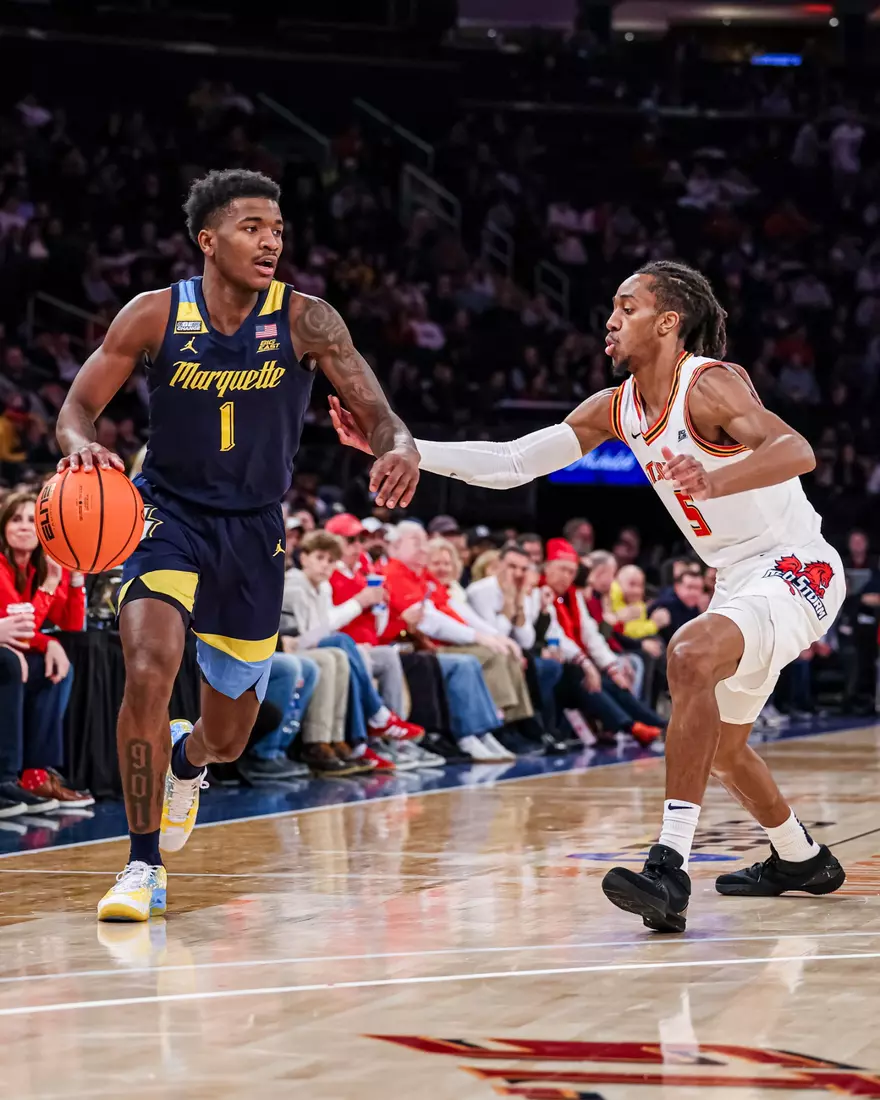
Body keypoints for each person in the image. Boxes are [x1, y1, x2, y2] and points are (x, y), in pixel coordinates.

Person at [331, 258, 847, 933]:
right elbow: (516, 462)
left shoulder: (709, 386)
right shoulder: (617, 407)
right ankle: (799, 857)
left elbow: (796, 448)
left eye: (626, 307)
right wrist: (408, 447)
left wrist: (718, 481)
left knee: (689, 653)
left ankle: (667, 867)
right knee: (719, 747)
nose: (609, 321)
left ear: (668, 322)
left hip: (796, 567)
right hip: (741, 579)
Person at [56, 169, 420, 922]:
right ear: (209, 240)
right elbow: (77, 410)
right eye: (254, 227)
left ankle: (188, 762)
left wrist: (401, 444)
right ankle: (142, 864)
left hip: (254, 533)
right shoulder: (155, 315)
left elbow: (380, 412)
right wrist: (79, 450)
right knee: (149, 668)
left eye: (278, 230)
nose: (271, 242)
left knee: (228, 736)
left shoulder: (307, 320)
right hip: (165, 516)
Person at [0, 492, 92, 810]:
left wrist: (76, 578)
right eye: (16, 519)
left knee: (56, 670)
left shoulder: (36, 566)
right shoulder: (1, 564)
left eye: (31, 520)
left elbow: (72, 623)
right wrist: (51, 586)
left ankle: (36, 774)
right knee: (23, 662)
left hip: (13, 650)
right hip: (7, 654)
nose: (24, 527)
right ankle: (7, 778)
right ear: (3, 527)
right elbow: (22, 627)